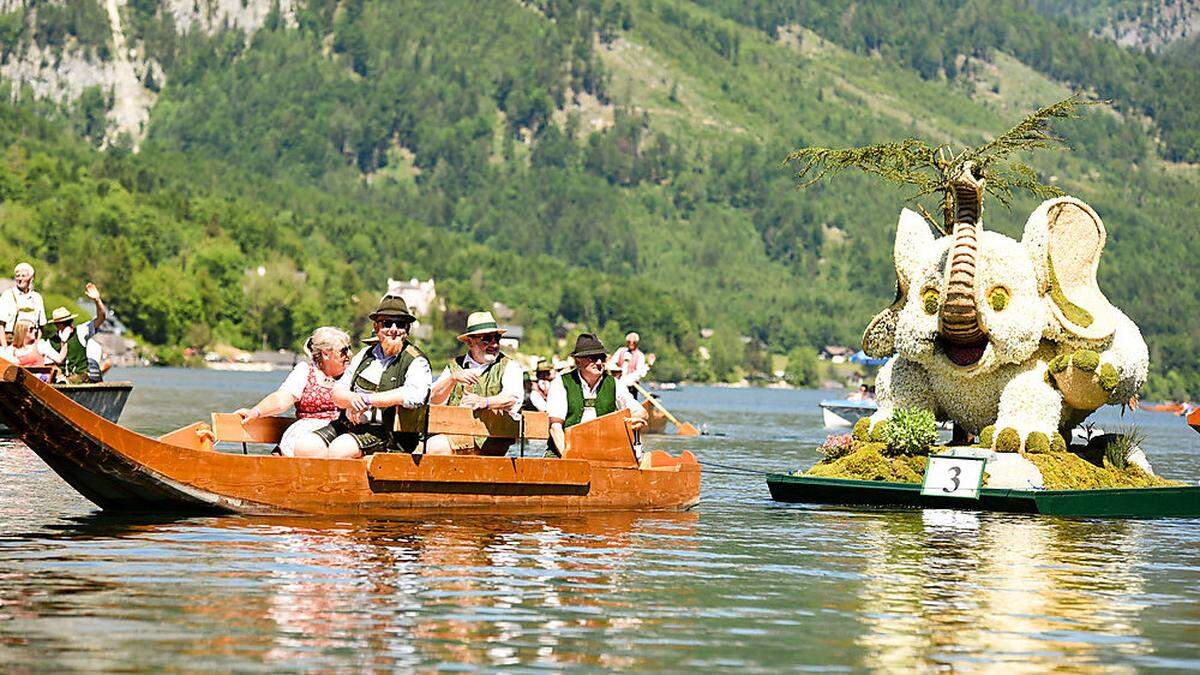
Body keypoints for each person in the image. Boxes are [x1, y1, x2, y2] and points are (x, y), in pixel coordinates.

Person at [297, 296, 431, 459]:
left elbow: (414, 396)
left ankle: (339, 484)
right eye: (387, 323)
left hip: (389, 434)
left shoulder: (417, 360)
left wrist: (367, 400)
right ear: (376, 327)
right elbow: (337, 392)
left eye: (400, 324)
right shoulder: (364, 355)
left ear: (407, 329)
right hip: (347, 425)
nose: (393, 329)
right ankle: (320, 485)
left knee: (340, 448)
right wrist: (352, 399)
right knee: (304, 447)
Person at [233, 326, 353, 457]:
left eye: (350, 349)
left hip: (341, 435)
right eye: (344, 351)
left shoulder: (353, 374)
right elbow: (282, 399)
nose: (350, 355)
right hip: (306, 436)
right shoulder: (306, 371)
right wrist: (255, 411)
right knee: (308, 448)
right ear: (325, 353)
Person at [425, 311, 525, 456]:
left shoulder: (509, 366)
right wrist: (451, 380)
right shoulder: (454, 367)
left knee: (434, 447)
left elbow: (512, 399)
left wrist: (483, 402)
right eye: (486, 339)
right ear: (470, 342)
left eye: (497, 338)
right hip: (455, 434)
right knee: (423, 448)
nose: (494, 344)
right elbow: (433, 400)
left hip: (492, 440)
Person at [547, 333, 647, 456]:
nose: (599, 362)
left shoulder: (615, 384)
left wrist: (637, 417)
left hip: (603, 453)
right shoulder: (560, 383)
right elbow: (555, 427)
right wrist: (568, 458)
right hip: (563, 450)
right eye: (593, 358)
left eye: (602, 358)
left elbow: (640, 411)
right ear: (578, 361)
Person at [44, 283, 107, 384]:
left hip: (82, 378)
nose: (69, 325)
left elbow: (101, 318)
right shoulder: (50, 342)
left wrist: (97, 300)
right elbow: (52, 364)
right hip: (62, 382)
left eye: (69, 322)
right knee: (60, 380)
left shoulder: (81, 331)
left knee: (73, 379)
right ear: (57, 325)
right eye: (64, 323)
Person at [0, 263, 47, 347]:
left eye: (23, 276)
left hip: (31, 342)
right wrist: (5, 348)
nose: (20, 279)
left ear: (31, 278)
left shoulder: (37, 298)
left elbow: (41, 326)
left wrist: (36, 346)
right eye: (17, 276)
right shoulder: (8, 295)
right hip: (10, 341)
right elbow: (1, 325)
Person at [0, 320, 65, 378]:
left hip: (37, 383)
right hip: (18, 385)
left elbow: (59, 359)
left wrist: (64, 341)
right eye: (31, 329)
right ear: (22, 331)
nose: (35, 331)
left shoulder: (40, 345)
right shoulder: (11, 350)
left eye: (35, 328)